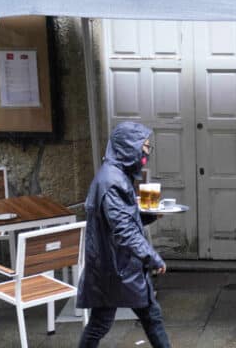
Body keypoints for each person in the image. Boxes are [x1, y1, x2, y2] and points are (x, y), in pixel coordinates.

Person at [77, 122, 171, 348]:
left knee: (105, 322)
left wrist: (149, 217)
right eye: (144, 147)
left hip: (113, 265)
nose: (147, 153)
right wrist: (152, 257)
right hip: (117, 267)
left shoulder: (115, 175)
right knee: (147, 317)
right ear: (129, 147)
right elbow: (124, 230)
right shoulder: (113, 181)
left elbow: (120, 220)